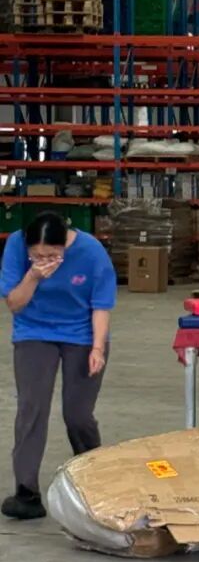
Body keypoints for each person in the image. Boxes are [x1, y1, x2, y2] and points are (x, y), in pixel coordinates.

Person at [0, 210, 117, 520]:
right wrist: (33, 276)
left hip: (83, 333)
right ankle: (26, 492)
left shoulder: (92, 252)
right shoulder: (15, 246)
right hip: (34, 331)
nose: (44, 259)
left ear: (65, 243)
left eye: (52, 255)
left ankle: (96, 477)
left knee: (77, 415)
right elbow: (14, 303)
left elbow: (101, 306)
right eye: (36, 255)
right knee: (31, 408)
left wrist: (97, 348)